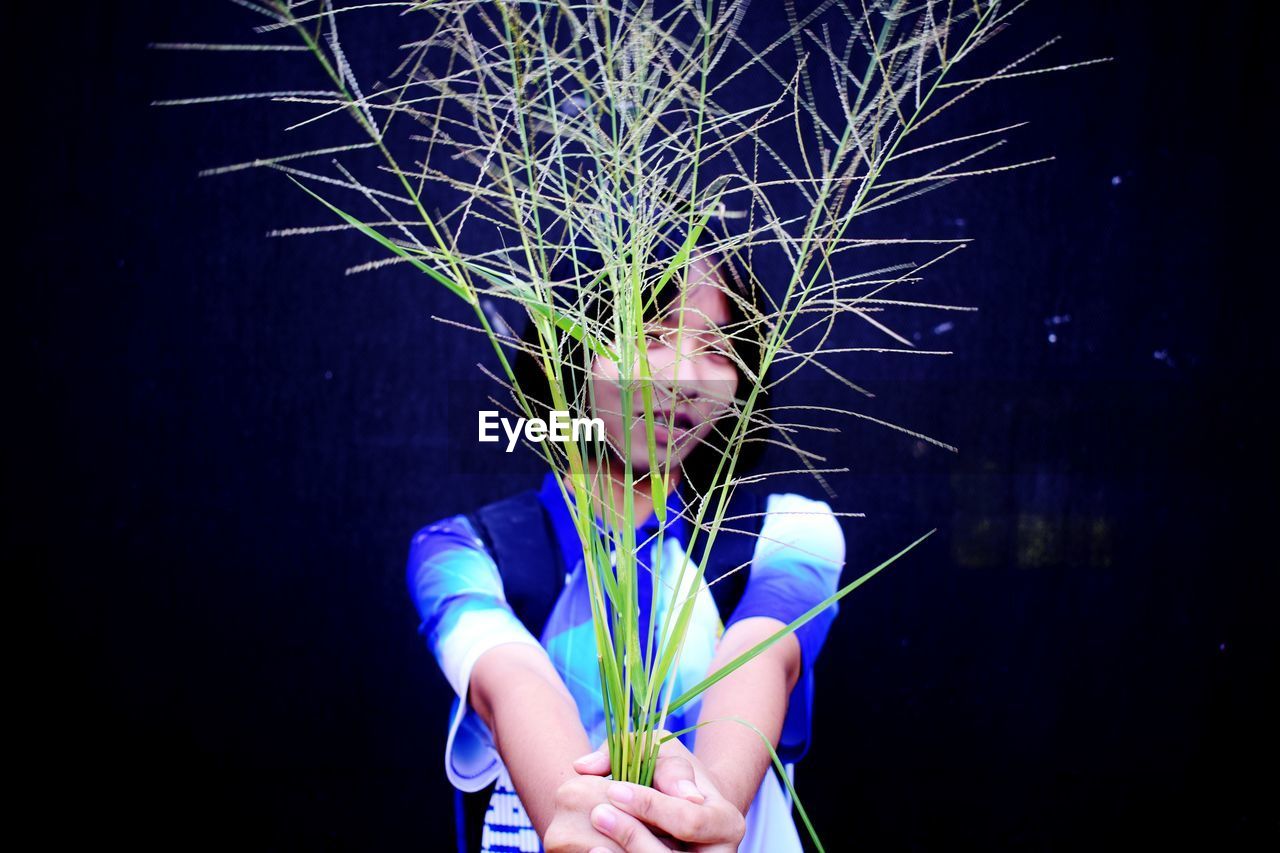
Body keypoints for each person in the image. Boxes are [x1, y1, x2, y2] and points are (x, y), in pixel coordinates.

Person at [407, 239, 846, 852]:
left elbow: (763, 653)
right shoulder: (461, 552)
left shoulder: (791, 533)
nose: (684, 378)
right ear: (570, 351)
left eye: (719, 349)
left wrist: (706, 808)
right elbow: (510, 680)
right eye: (653, 335)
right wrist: (591, 823)